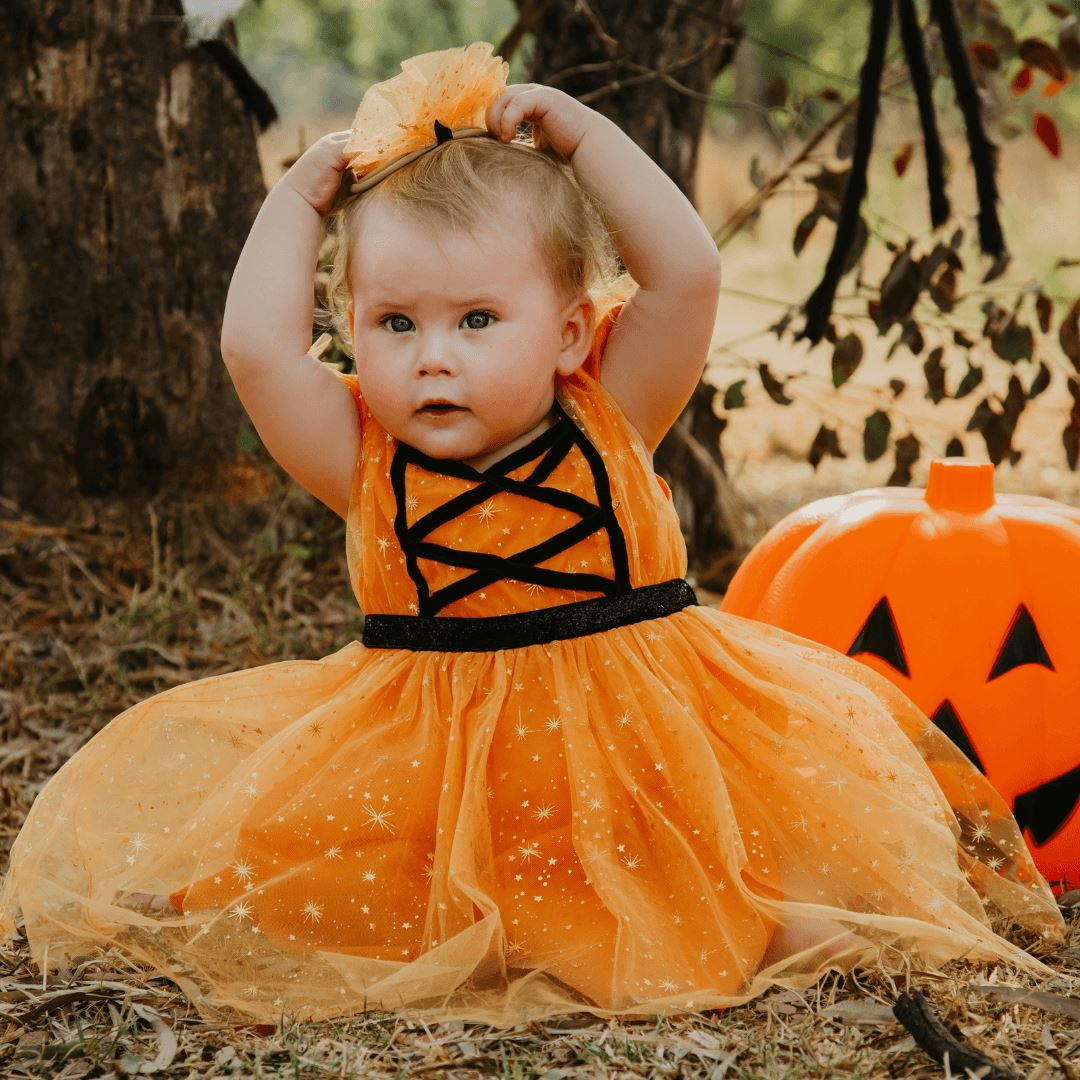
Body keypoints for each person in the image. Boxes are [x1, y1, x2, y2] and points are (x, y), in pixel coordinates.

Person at [0, 43, 1065, 1028]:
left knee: (732, 895)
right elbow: (256, 353)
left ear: (566, 334)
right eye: (395, 323)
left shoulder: (613, 414)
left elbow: (687, 275)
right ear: (353, 329)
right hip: (444, 777)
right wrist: (298, 198)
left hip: (644, 765)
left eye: (477, 320)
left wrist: (587, 140)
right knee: (331, 890)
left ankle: (789, 935)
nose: (433, 359)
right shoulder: (364, 460)